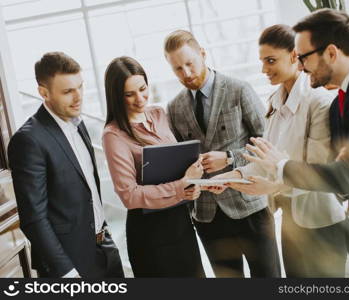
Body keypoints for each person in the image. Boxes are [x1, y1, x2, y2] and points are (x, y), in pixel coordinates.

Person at [243, 9, 349, 277]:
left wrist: (281, 166)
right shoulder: (342, 100)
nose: (299, 65)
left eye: (303, 57)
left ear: (332, 53)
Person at [214, 24, 347, 277]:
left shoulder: (319, 101)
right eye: (262, 61)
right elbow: (267, 159)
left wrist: (273, 186)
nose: (264, 69)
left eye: (271, 60)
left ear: (295, 56)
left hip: (321, 223)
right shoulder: (275, 101)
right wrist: (232, 177)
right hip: (290, 221)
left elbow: (319, 171)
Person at [164, 30, 280, 277]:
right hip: (207, 216)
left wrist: (229, 157)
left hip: (250, 207)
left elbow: (268, 142)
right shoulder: (173, 108)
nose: (186, 73)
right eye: (177, 69)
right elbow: (179, 161)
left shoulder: (239, 89)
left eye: (189, 63)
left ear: (203, 54)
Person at [8, 52, 124, 278]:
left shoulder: (79, 125)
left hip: (105, 249)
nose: (78, 96)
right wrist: (66, 272)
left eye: (80, 87)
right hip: (70, 265)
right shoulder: (29, 141)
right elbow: (34, 218)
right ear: (44, 92)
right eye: (68, 91)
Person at [102, 56, 205, 277]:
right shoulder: (113, 135)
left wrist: (191, 187)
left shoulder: (159, 114)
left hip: (180, 223)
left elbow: (177, 166)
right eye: (129, 94)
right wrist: (181, 186)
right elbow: (129, 196)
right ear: (116, 96)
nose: (140, 99)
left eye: (143, 88)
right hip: (150, 233)